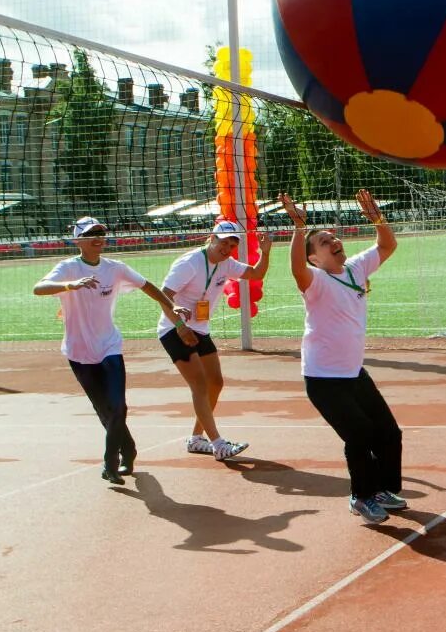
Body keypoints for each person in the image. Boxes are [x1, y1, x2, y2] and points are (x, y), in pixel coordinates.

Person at [279, 189, 405, 525]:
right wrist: (299, 229)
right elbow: (295, 270)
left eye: (333, 236)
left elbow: (387, 246)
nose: (333, 240)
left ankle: (380, 489)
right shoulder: (315, 280)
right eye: (323, 241)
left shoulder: (355, 268)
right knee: (360, 433)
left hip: (353, 373)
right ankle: (360, 497)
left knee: (389, 432)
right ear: (314, 258)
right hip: (324, 379)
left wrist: (377, 219)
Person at [34, 217, 189, 485]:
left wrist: (171, 307)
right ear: (78, 240)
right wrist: (70, 285)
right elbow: (39, 289)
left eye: (101, 233)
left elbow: (148, 286)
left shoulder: (115, 268)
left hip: (109, 346)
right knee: (105, 411)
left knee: (118, 405)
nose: (98, 238)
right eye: (91, 234)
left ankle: (110, 464)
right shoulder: (67, 268)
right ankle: (128, 448)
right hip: (79, 351)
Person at [157, 219, 271, 461]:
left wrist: (266, 252)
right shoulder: (189, 263)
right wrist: (179, 326)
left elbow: (256, 273)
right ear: (212, 238)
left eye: (231, 244)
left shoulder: (226, 264)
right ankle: (218, 444)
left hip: (199, 328)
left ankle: (196, 439)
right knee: (199, 384)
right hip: (173, 328)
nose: (226, 248)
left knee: (215, 383)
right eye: (223, 242)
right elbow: (164, 295)